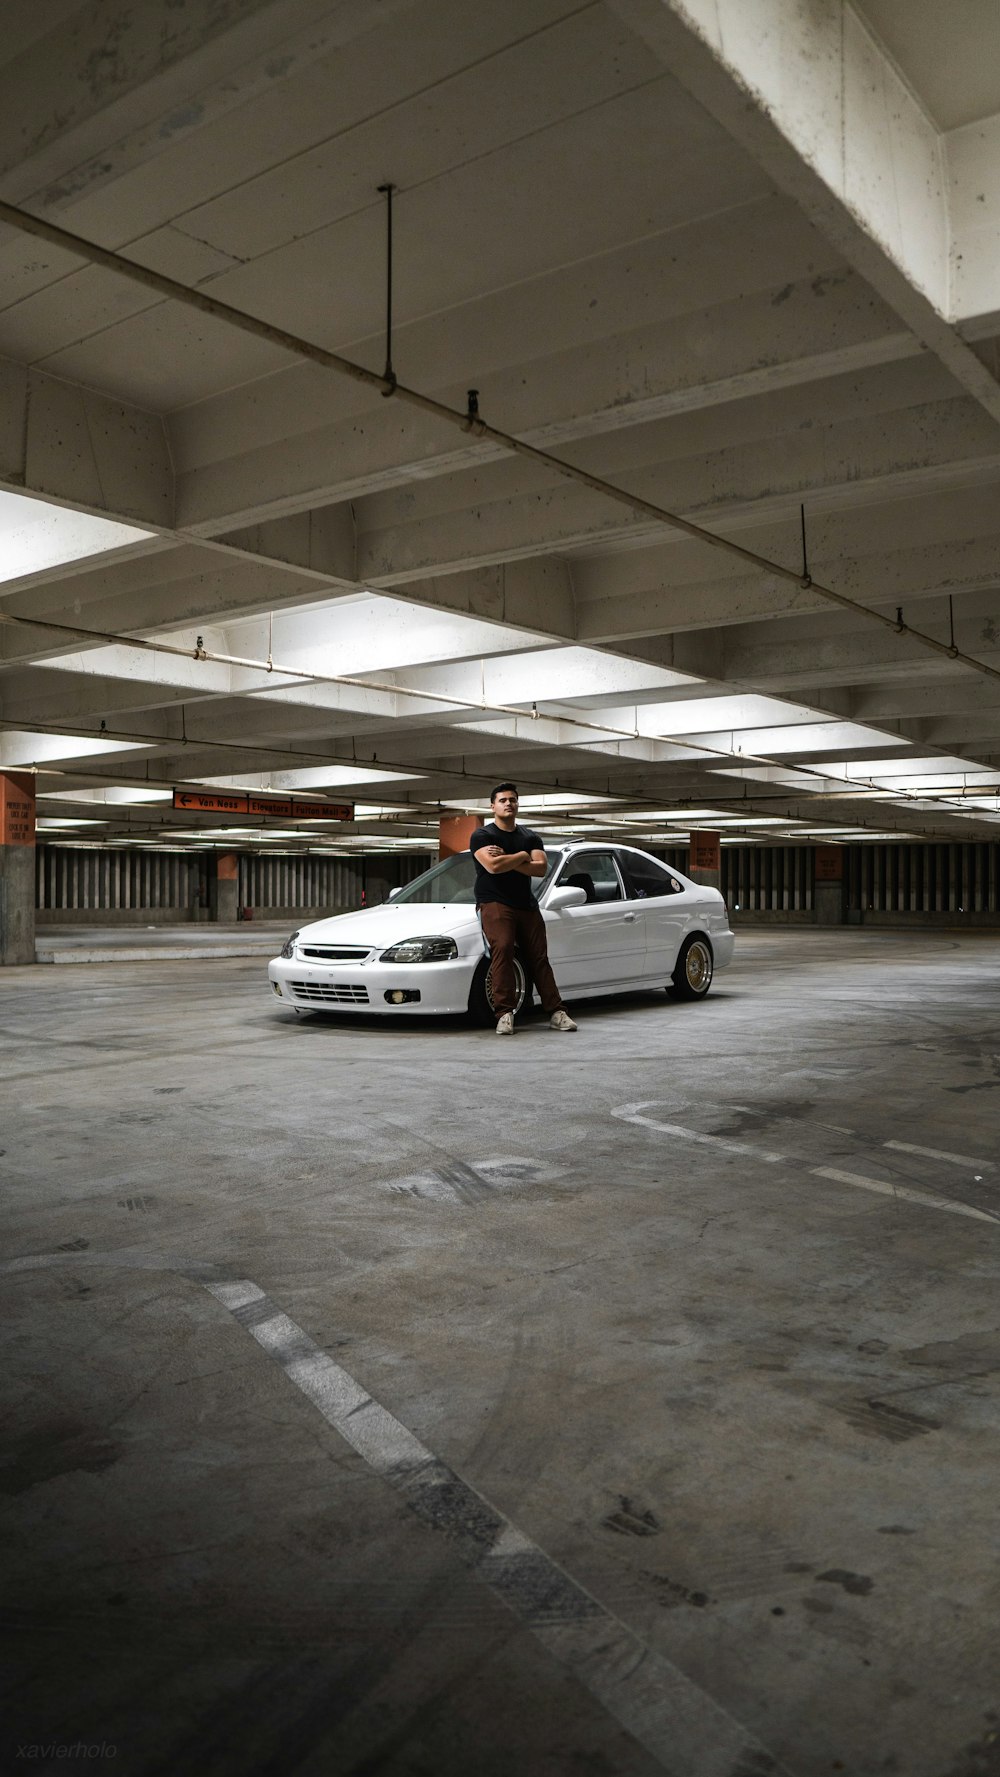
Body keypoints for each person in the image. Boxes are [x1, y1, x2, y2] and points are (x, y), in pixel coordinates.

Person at [470, 783, 577, 1036]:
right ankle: (504, 1014)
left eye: (513, 800)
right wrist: (522, 857)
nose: (509, 803)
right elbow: (493, 867)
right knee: (503, 951)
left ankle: (556, 1012)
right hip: (494, 902)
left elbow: (540, 868)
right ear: (492, 806)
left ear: (518, 804)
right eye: (503, 800)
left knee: (539, 958)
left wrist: (509, 856)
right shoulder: (482, 836)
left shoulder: (530, 837)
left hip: (526, 905)